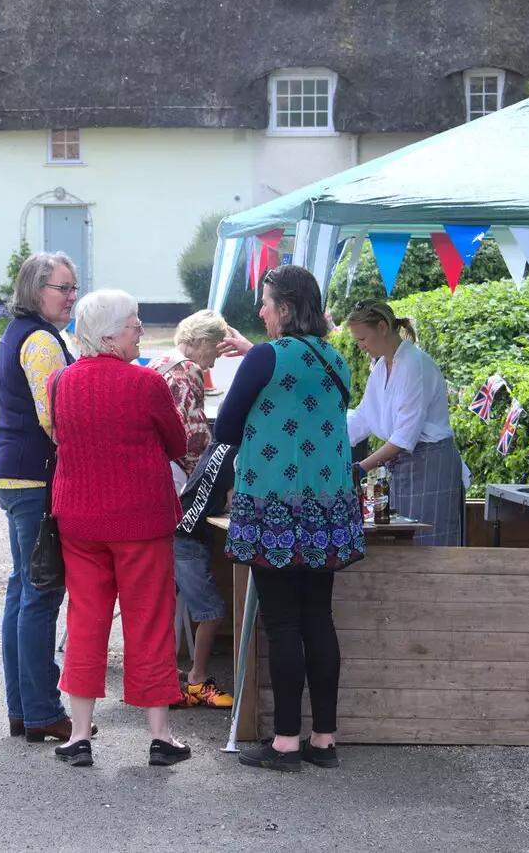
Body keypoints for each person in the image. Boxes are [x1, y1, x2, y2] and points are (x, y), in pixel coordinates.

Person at [215, 265, 364, 772]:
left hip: (273, 504)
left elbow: (227, 425)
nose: (260, 311)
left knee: (282, 625)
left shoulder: (265, 358)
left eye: (265, 301)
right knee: (318, 618)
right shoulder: (337, 359)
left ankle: (283, 743)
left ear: (285, 307)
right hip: (328, 504)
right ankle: (324, 740)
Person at [49, 289, 191, 768]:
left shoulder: (61, 382)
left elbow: (62, 436)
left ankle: (78, 736)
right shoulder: (146, 383)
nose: (141, 331)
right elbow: (177, 441)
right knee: (148, 620)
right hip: (141, 520)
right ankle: (160, 736)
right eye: (134, 323)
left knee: (85, 620)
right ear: (108, 334)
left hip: (80, 520)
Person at [0, 251, 81, 743]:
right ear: (36, 290)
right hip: (35, 475)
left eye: (73, 287)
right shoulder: (42, 341)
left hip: (14, 473)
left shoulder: (17, 332)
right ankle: (43, 711)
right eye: (62, 288)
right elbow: (56, 419)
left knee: (23, 590)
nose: (71, 296)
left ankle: (24, 709)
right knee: (41, 593)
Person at [147, 309, 235, 710]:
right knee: (204, 596)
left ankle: (162, 676)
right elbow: (193, 437)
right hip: (181, 496)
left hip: (153, 492)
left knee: (163, 591)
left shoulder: (159, 364)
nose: (214, 362)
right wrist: (220, 480)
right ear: (201, 342)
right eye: (214, 351)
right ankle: (196, 679)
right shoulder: (186, 373)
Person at [344, 299, 464, 545]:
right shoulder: (380, 368)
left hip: (431, 463)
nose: (360, 346)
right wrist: (326, 443)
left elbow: (403, 437)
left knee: (429, 546)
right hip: (402, 466)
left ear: (382, 327)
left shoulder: (414, 364)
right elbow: (364, 417)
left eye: (363, 339)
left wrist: (359, 469)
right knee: (402, 544)